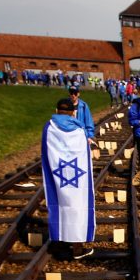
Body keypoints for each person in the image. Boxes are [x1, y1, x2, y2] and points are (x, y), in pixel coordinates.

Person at [41, 98, 95, 259]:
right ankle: (77, 248)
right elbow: (84, 156)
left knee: (59, 204)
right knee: (79, 206)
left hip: (58, 173)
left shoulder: (49, 128)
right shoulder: (79, 131)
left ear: (56, 110)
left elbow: (46, 152)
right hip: (77, 176)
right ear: (73, 113)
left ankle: (60, 240)